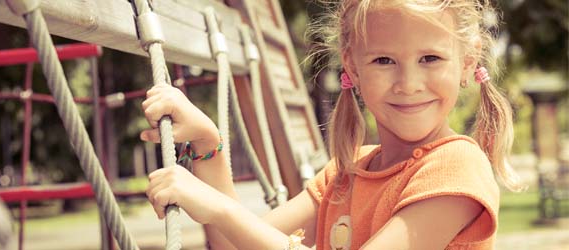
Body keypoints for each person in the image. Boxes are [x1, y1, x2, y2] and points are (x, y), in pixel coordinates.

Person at [140, 0, 524, 249]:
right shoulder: (345, 173)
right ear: (353, 67)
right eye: (384, 61)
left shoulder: (456, 168)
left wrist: (221, 210)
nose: (408, 83)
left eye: (430, 58)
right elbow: (235, 241)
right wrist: (209, 146)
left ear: (469, 62)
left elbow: (229, 221)